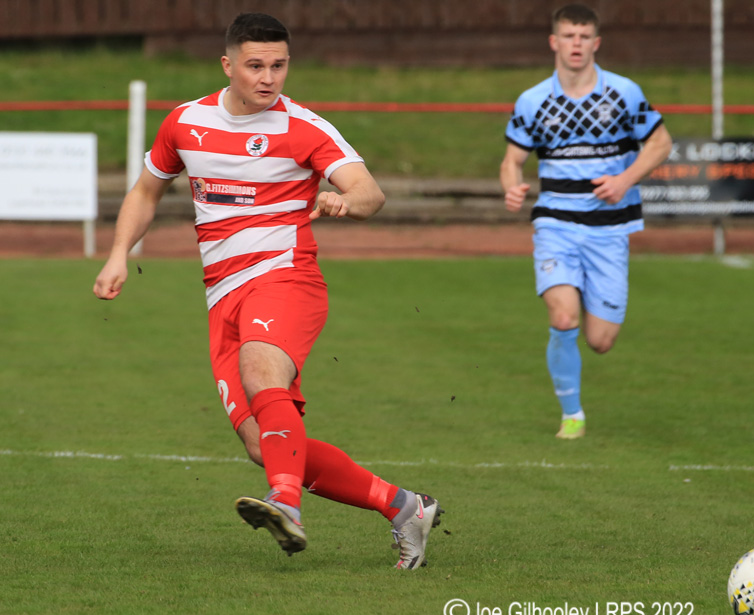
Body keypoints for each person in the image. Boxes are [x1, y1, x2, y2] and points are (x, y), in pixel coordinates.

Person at [93, 12, 442, 569]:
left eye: (279, 65)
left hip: (286, 278)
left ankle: (288, 505)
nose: (268, 77)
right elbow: (145, 192)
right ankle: (404, 507)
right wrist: (118, 255)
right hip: (222, 295)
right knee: (263, 445)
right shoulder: (185, 123)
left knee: (261, 373)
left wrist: (344, 202)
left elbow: (370, 193)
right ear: (227, 64)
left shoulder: (304, 127)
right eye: (255, 65)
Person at [500, 4, 672, 440]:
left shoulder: (624, 93)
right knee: (562, 317)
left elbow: (661, 142)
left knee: (600, 340)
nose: (576, 44)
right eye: (568, 36)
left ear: (595, 43)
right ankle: (572, 415)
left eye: (583, 37)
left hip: (610, 228)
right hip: (555, 224)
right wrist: (513, 186)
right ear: (554, 42)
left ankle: (584, 357)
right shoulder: (533, 100)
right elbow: (513, 159)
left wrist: (625, 179)